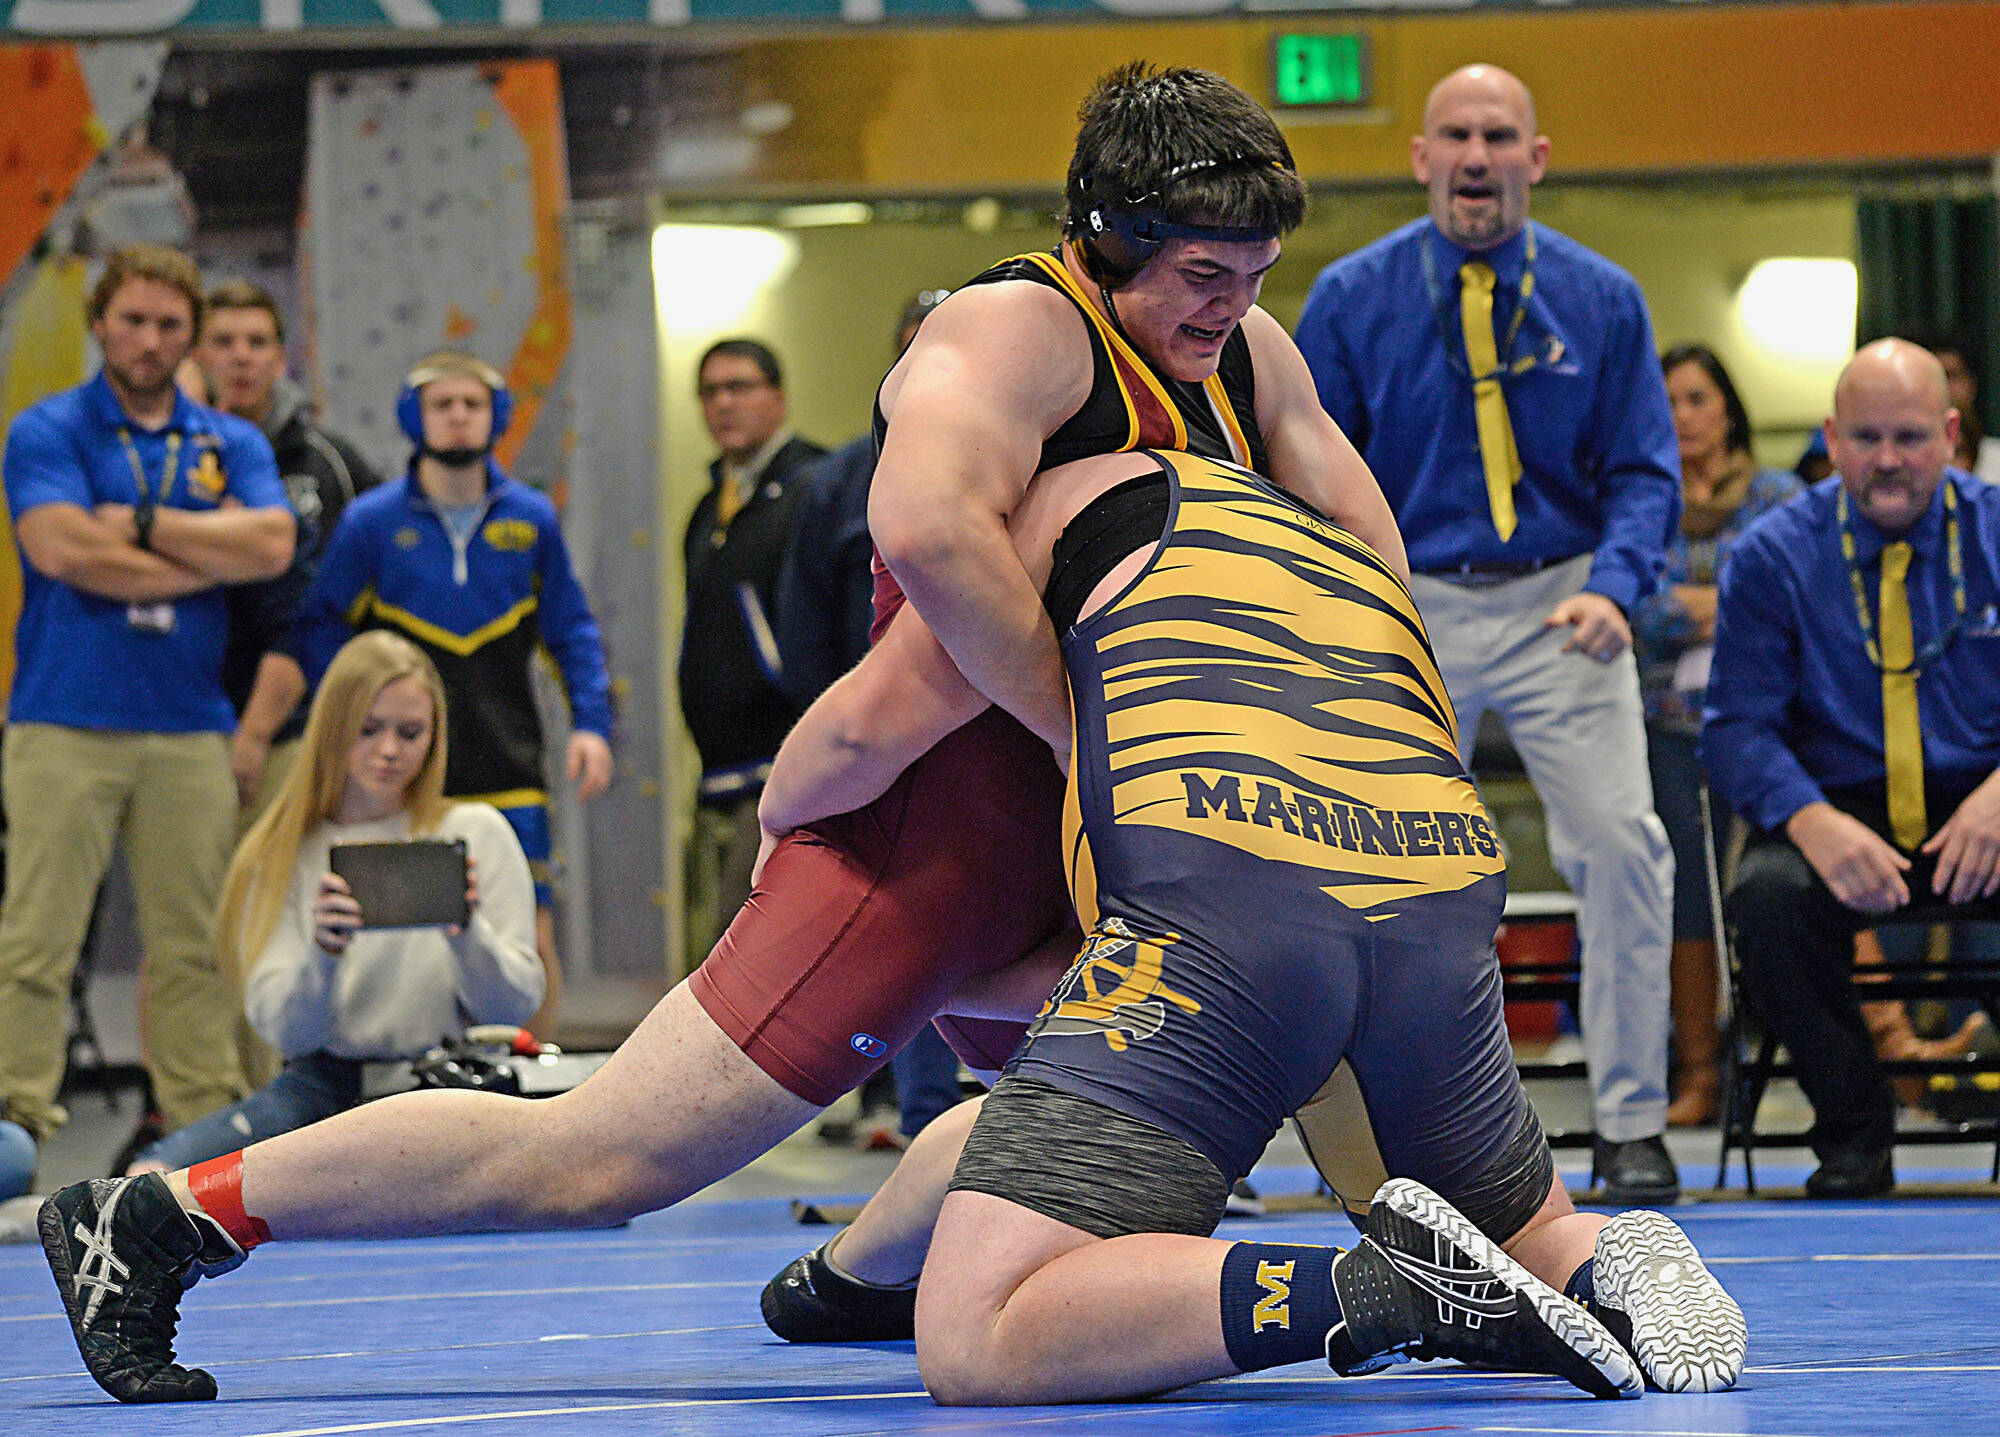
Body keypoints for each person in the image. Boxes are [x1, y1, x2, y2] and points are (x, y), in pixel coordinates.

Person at [35, 66, 1682, 1405]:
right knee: (606, 1154)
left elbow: (1358, 545)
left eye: (1251, 282)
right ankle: (164, 1213)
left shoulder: (1244, 346)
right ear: (1103, 238)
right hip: (934, 834)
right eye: (1198, 280)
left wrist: (1375, 731)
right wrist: (1086, 748)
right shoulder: (1010, 332)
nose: (1226, 316)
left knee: (1154, 1112)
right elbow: (935, 561)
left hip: (1100, 830)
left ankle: (847, 1276)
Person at [758, 446, 1742, 1405]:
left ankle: (1377, 1290)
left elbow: (854, 728)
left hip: (1229, 908)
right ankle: (1600, 1254)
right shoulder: (1319, 519)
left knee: (981, 1329)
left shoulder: (1047, 514)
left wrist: (780, 844)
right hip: (1429, 891)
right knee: (1515, 1237)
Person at [1293, 63, 1682, 1203]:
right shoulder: (1351, 301)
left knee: (1621, 846)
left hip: (1564, 600)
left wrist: (1615, 589)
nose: (1474, 157)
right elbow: (1305, 475)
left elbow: (1644, 471)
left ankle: (1630, 1126)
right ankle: (1373, 1146)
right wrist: (1347, 609)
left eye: (1496, 136)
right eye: (1454, 136)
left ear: (1535, 157)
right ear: (1419, 159)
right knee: (1360, 875)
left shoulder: (1601, 298)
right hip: (1402, 600)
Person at [0, 244, 293, 1176]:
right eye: (133, 319)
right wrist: (204, 554)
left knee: (196, 947)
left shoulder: (229, 442)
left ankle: (202, 1134)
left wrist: (125, 525)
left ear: (189, 334)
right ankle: (14, 1132)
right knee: (37, 941)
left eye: (171, 324)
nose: (151, 339)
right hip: (63, 720)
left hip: (190, 728)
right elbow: (54, 548)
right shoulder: (47, 428)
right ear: (99, 322)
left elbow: (274, 542)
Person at [1704, 337, 2000, 1198]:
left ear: (1950, 433)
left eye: (1910, 437)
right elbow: (1736, 729)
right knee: (1767, 898)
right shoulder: (1769, 555)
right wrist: (1810, 819)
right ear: (1832, 439)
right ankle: (1854, 1133)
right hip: (1838, 805)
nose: (1889, 461)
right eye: (1867, 438)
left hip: (1982, 796)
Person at [127, 631, 543, 1173]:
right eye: (368, 730)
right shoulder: (284, 852)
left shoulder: (477, 832)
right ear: (332, 731)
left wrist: (469, 937)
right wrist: (323, 954)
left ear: (435, 736)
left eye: (410, 732)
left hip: (449, 1080)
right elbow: (285, 1032)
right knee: (156, 1175)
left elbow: (512, 1009)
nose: (389, 751)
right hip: (323, 1085)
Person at [296, 351, 613, 1037]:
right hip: (401, 767)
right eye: (443, 403)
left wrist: (592, 724)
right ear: (416, 416)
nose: (459, 415)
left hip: (510, 759)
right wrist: (339, 731)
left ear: (496, 415)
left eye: (473, 402)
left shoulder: (531, 519)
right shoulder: (369, 523)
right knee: (398, 923)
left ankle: (536, 1084)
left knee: (530, 927)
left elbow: (573, 631)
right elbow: (324, 631)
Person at [773, 290, 962, 1147]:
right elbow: (804, 625)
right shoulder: (838, 483)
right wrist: (844, 754)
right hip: (885, 741)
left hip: (1007, 742)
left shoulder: (1036, 463)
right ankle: (925, 1126)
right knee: (917, 935)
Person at [1632, 344, 1803, 1125]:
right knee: (1682, 892)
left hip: (1769, 725)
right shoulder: (1642, 496)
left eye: (1697, 397)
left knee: (1779, 877)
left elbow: (1792, 597)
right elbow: (1635, 603)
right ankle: (1699, 1069)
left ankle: (1876, 1044)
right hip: (1662, 726)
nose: (1683, 415)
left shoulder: (1778, 493)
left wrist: (1701, 603)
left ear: (1729, 406)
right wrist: (1727, 602)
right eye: (1667, 400)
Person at [194, 279, 381, 817]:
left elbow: (359, 594)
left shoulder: (332, 462)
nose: (241, 358)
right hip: (187, 719)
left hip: (307, 724)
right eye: (224, 342)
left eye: (256, 343)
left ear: (280, 357)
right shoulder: (170, 459)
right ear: (200, 355)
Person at [680, 338, 827, 969]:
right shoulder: (708, 508)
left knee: (749, 969)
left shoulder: (816, 490)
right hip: (718, 775)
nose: (723, 404)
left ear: (779, 396)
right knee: (704, 960)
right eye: (710, 391)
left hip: (783, 775)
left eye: (739, 387)